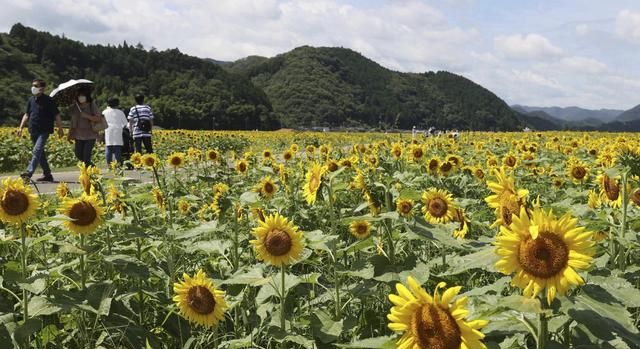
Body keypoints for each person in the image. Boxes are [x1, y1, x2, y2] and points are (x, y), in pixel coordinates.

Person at [18, 79, 64, 182]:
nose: (33, 87)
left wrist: (60, 128)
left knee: (37, 150)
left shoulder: (49, 100)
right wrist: (20, 127)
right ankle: (47, 174)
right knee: (40, 153)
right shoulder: (31, 100)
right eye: (33, 85)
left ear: (42, 88)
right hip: (33, 129)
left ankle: (28, 174)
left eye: (35, 86)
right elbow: (27, 114)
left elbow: (57, 115)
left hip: (44, 130)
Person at [68, 87, 101, 166]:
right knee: (78, 154)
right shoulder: (75, 107)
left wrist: (86, 116)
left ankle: (88, 173)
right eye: (79, 95)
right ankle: (91, 167)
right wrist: (69, 134)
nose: (80, 97)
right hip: (78, 135)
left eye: (83, 95)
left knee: (86, 156)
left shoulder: (91, 105)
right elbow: (73, 122)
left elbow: (98, 118)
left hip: (90, 135)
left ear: (87, 96)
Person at [102, 97, 129, 166]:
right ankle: (118, 164)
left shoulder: (104, 112)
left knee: (109, 147)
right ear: (117, 104)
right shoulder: (120, 112)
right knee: (117, 148)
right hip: (118, 131)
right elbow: (125, 124)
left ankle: (109, 165)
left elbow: (102, 122)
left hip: (108, 130)